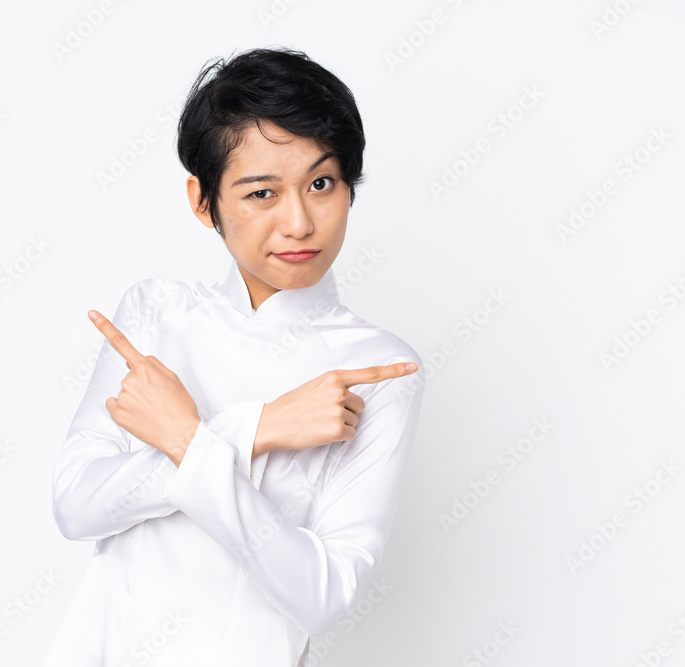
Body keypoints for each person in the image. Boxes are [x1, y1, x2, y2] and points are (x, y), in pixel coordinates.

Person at [43, 46, 426, 667]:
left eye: (321, 183)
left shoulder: (380, 369)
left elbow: (321, 595)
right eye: (261, 193)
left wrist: (189, 442)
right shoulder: (155, 315)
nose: (299, 222)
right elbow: (76, 507)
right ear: (203, 202)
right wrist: (258, 428)